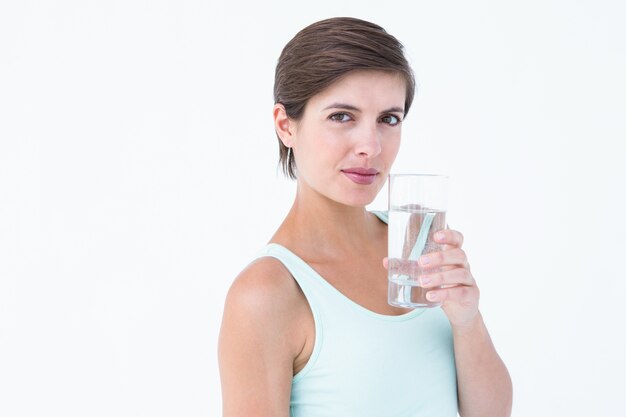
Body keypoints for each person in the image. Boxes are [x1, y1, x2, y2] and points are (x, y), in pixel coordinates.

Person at [218, 17, 512, 417]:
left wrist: (466, 319)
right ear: (286, 125)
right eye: (342, 116)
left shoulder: (417, 245)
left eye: (388, 119)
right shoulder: (267, 293)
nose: (371, 147)